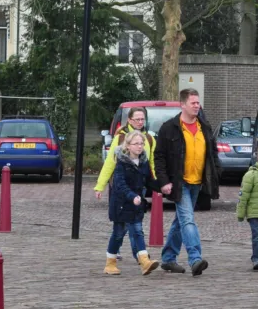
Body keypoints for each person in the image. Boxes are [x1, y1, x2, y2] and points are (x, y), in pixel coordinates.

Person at [155, 88, 220, 276]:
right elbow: (159, 157)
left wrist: (216, 171)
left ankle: (168, 258)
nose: (197, 106)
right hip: (179, 182)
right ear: (182, 104)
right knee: (188, 219)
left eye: (198, 102)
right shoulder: (169, 128)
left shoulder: (204, 127)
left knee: (181, 220)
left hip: (197, 182)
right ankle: (195, 258)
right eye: (193, 103)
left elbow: (212, 152)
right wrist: (164, 181)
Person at [94, 107, 156, 261]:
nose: (140, 122)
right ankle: (136, 256)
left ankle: (141, 257)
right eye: (137, 119)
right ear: (129, 120)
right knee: (122, 229)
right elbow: (110, 163)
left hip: (138, 188)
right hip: (123, 190)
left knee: (136, 226)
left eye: (143, 119)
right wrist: (100, 185)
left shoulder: (149, 138)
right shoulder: (121, 138)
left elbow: (151, 164)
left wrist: (158, 185)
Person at [104, 131, 161, 276]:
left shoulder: (143, 161)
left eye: (141, 143)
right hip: (121, 204)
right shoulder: (121, 162)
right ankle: (110, 263)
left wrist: (162, 187)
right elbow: (120, 185)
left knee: (137, 231)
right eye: (136, 144)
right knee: (118, 234)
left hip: (136, 205)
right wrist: (132, 196)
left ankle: (144, 262)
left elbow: (148, 180)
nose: (139, 146)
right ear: (128, 146)